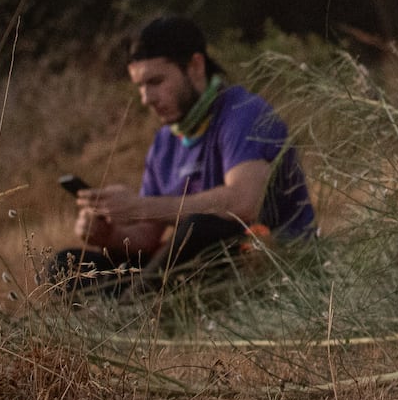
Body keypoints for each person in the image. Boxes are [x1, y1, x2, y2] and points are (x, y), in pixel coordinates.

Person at [43, 15, 315, 295]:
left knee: (202, 227)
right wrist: (108, 234)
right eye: (140, 86)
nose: (146, 98)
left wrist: (138, 207)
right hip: (186, 271)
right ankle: (136, 307)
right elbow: (147, 238)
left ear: (195, 66)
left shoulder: (243, 112)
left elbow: (243, 203)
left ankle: (129, 312)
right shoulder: (165, 141)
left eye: (156, 81)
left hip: (264, 264)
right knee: (67, 266)